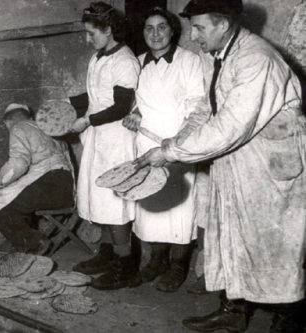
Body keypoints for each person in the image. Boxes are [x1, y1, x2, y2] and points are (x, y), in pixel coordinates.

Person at [134, 0, 306, 332]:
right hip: (240, 161)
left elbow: (229, 126)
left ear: (223, 25)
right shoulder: (221, 56)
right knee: (232, 236)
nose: (193, 35)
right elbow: (207, 109)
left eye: (199, 27)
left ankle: (288, 323)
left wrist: (171, 152)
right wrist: (173, 142)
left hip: (269, 166)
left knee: (276, 247)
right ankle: (233, 312)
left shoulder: (256, 59)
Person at [122, 6, 207, 293]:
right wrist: (134, 111)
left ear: (173, 30)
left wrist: (177, 143)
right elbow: (134, 98)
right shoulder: (139, 62)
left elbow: (198, 104)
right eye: (149, 28)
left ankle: (178, 265)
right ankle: (157, 260)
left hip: (177, 145)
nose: (155, 34)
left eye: (162, 27)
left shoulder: (189, 61)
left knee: (180, 209)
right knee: (152, 206)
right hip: (146, 146)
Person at [67, 1, 142, 290]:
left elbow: (122, 107)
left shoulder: (125, 61)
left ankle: (125, 268)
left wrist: (86, 122)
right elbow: (94, 97)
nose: (88, 39)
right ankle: (107, 255)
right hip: (99, 138)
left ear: (109, 30)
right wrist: (68, 103)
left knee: (115, 205)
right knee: (101, 201)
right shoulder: (99, 58)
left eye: (91, 33)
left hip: (116, 139)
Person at [0, 103, 74, 256]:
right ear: (30, 117)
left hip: (49, 183)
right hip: (68, 189)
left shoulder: (18, 127)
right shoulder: (48, 128)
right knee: (18, 197)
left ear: (7, 123)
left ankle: (33, 242)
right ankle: (20, 240)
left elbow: (18, 164)